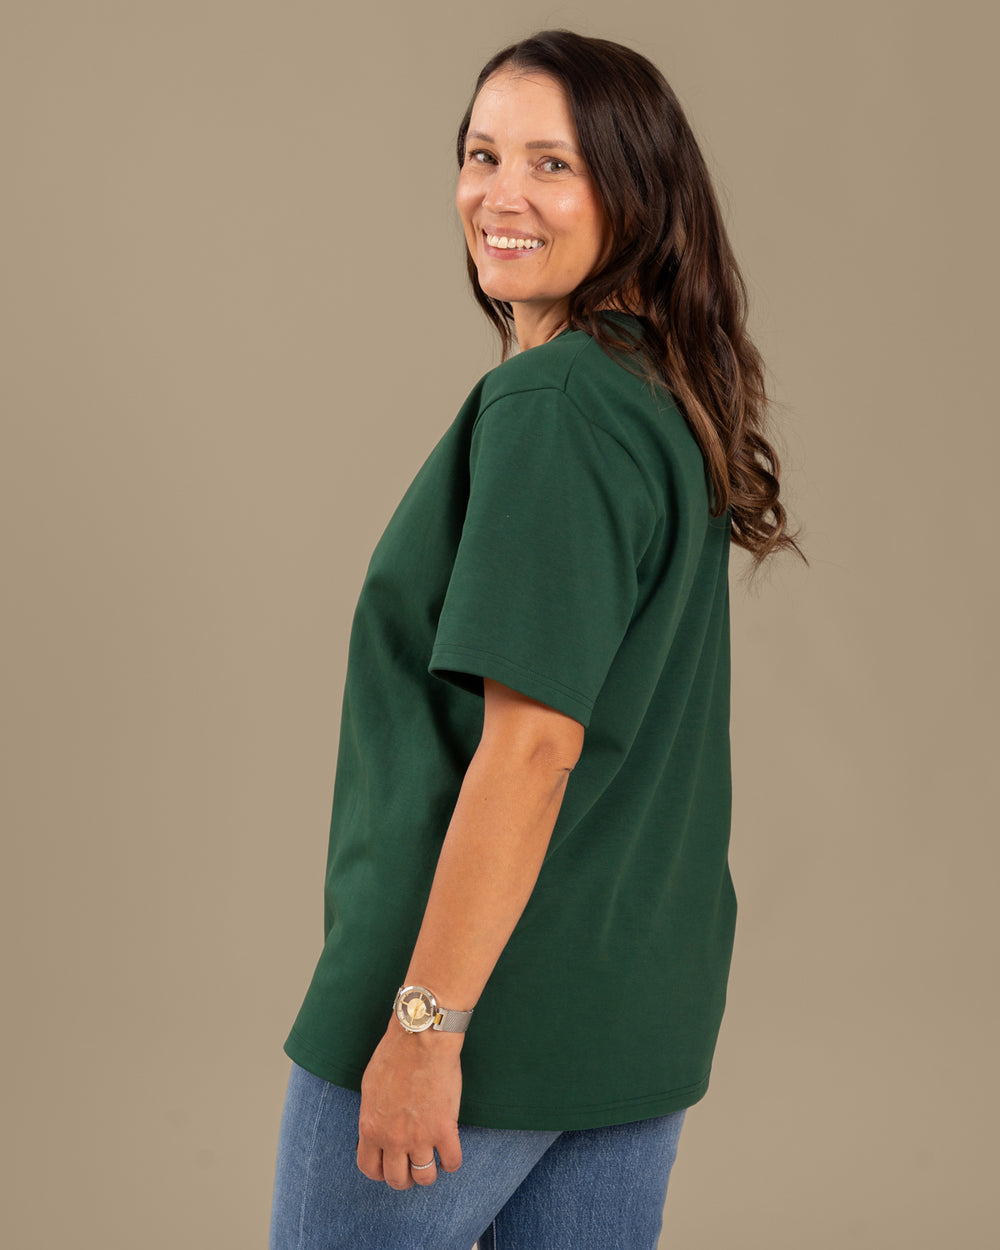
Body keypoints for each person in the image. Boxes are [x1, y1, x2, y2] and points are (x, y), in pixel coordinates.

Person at [269, 28, 801, 1250]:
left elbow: (533, 746)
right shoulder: (654, 395)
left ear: (634, 191)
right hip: (630, 998)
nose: (499, 195)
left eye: (551, 164)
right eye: (481, 154)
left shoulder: (554, 405)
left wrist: (422, 1024)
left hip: (477, 1006)